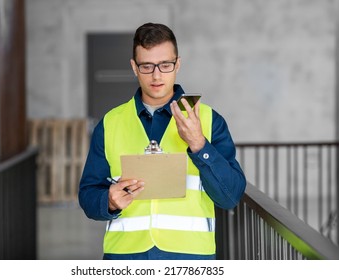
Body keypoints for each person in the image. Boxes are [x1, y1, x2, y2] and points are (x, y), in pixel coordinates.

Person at [78, 22, 246, 260]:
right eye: (147, 66)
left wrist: (199, 145)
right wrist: (108, 201)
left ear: (177, 64)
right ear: (134, 68)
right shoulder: (110, 123)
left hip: (190, 259)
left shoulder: (209, 120)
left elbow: (230, 197)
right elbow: (87, 196)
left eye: (165, 65)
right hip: (125, 258)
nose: (156, 75)